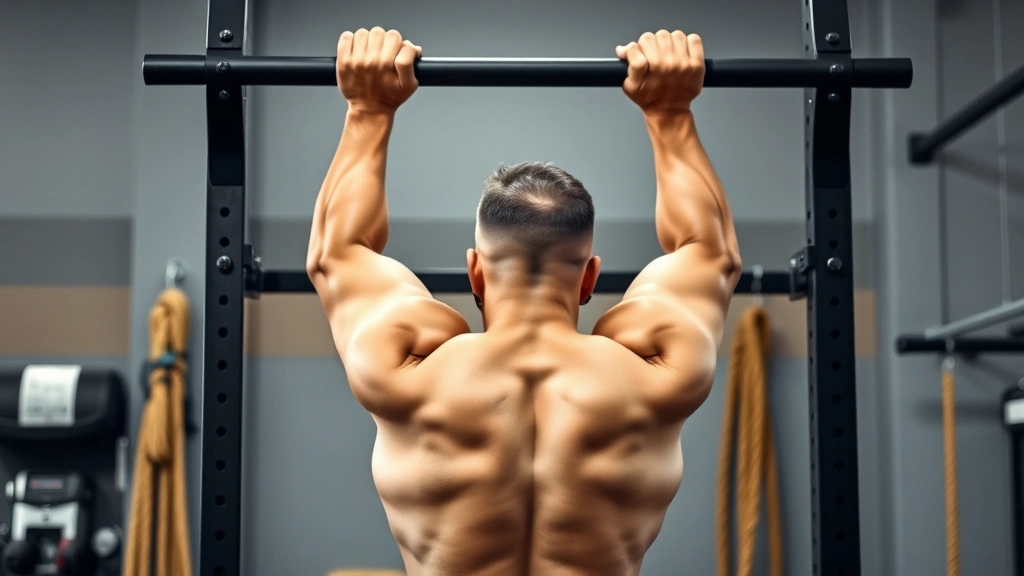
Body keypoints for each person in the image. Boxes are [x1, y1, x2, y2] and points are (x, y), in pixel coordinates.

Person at [307, 26, 741, 576]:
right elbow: (711, 252)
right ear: (589, 279)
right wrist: (670, 110)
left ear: (475, 273)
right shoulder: (657, 370)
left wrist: (368, 107)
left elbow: (336, 253)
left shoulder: (406, 368)